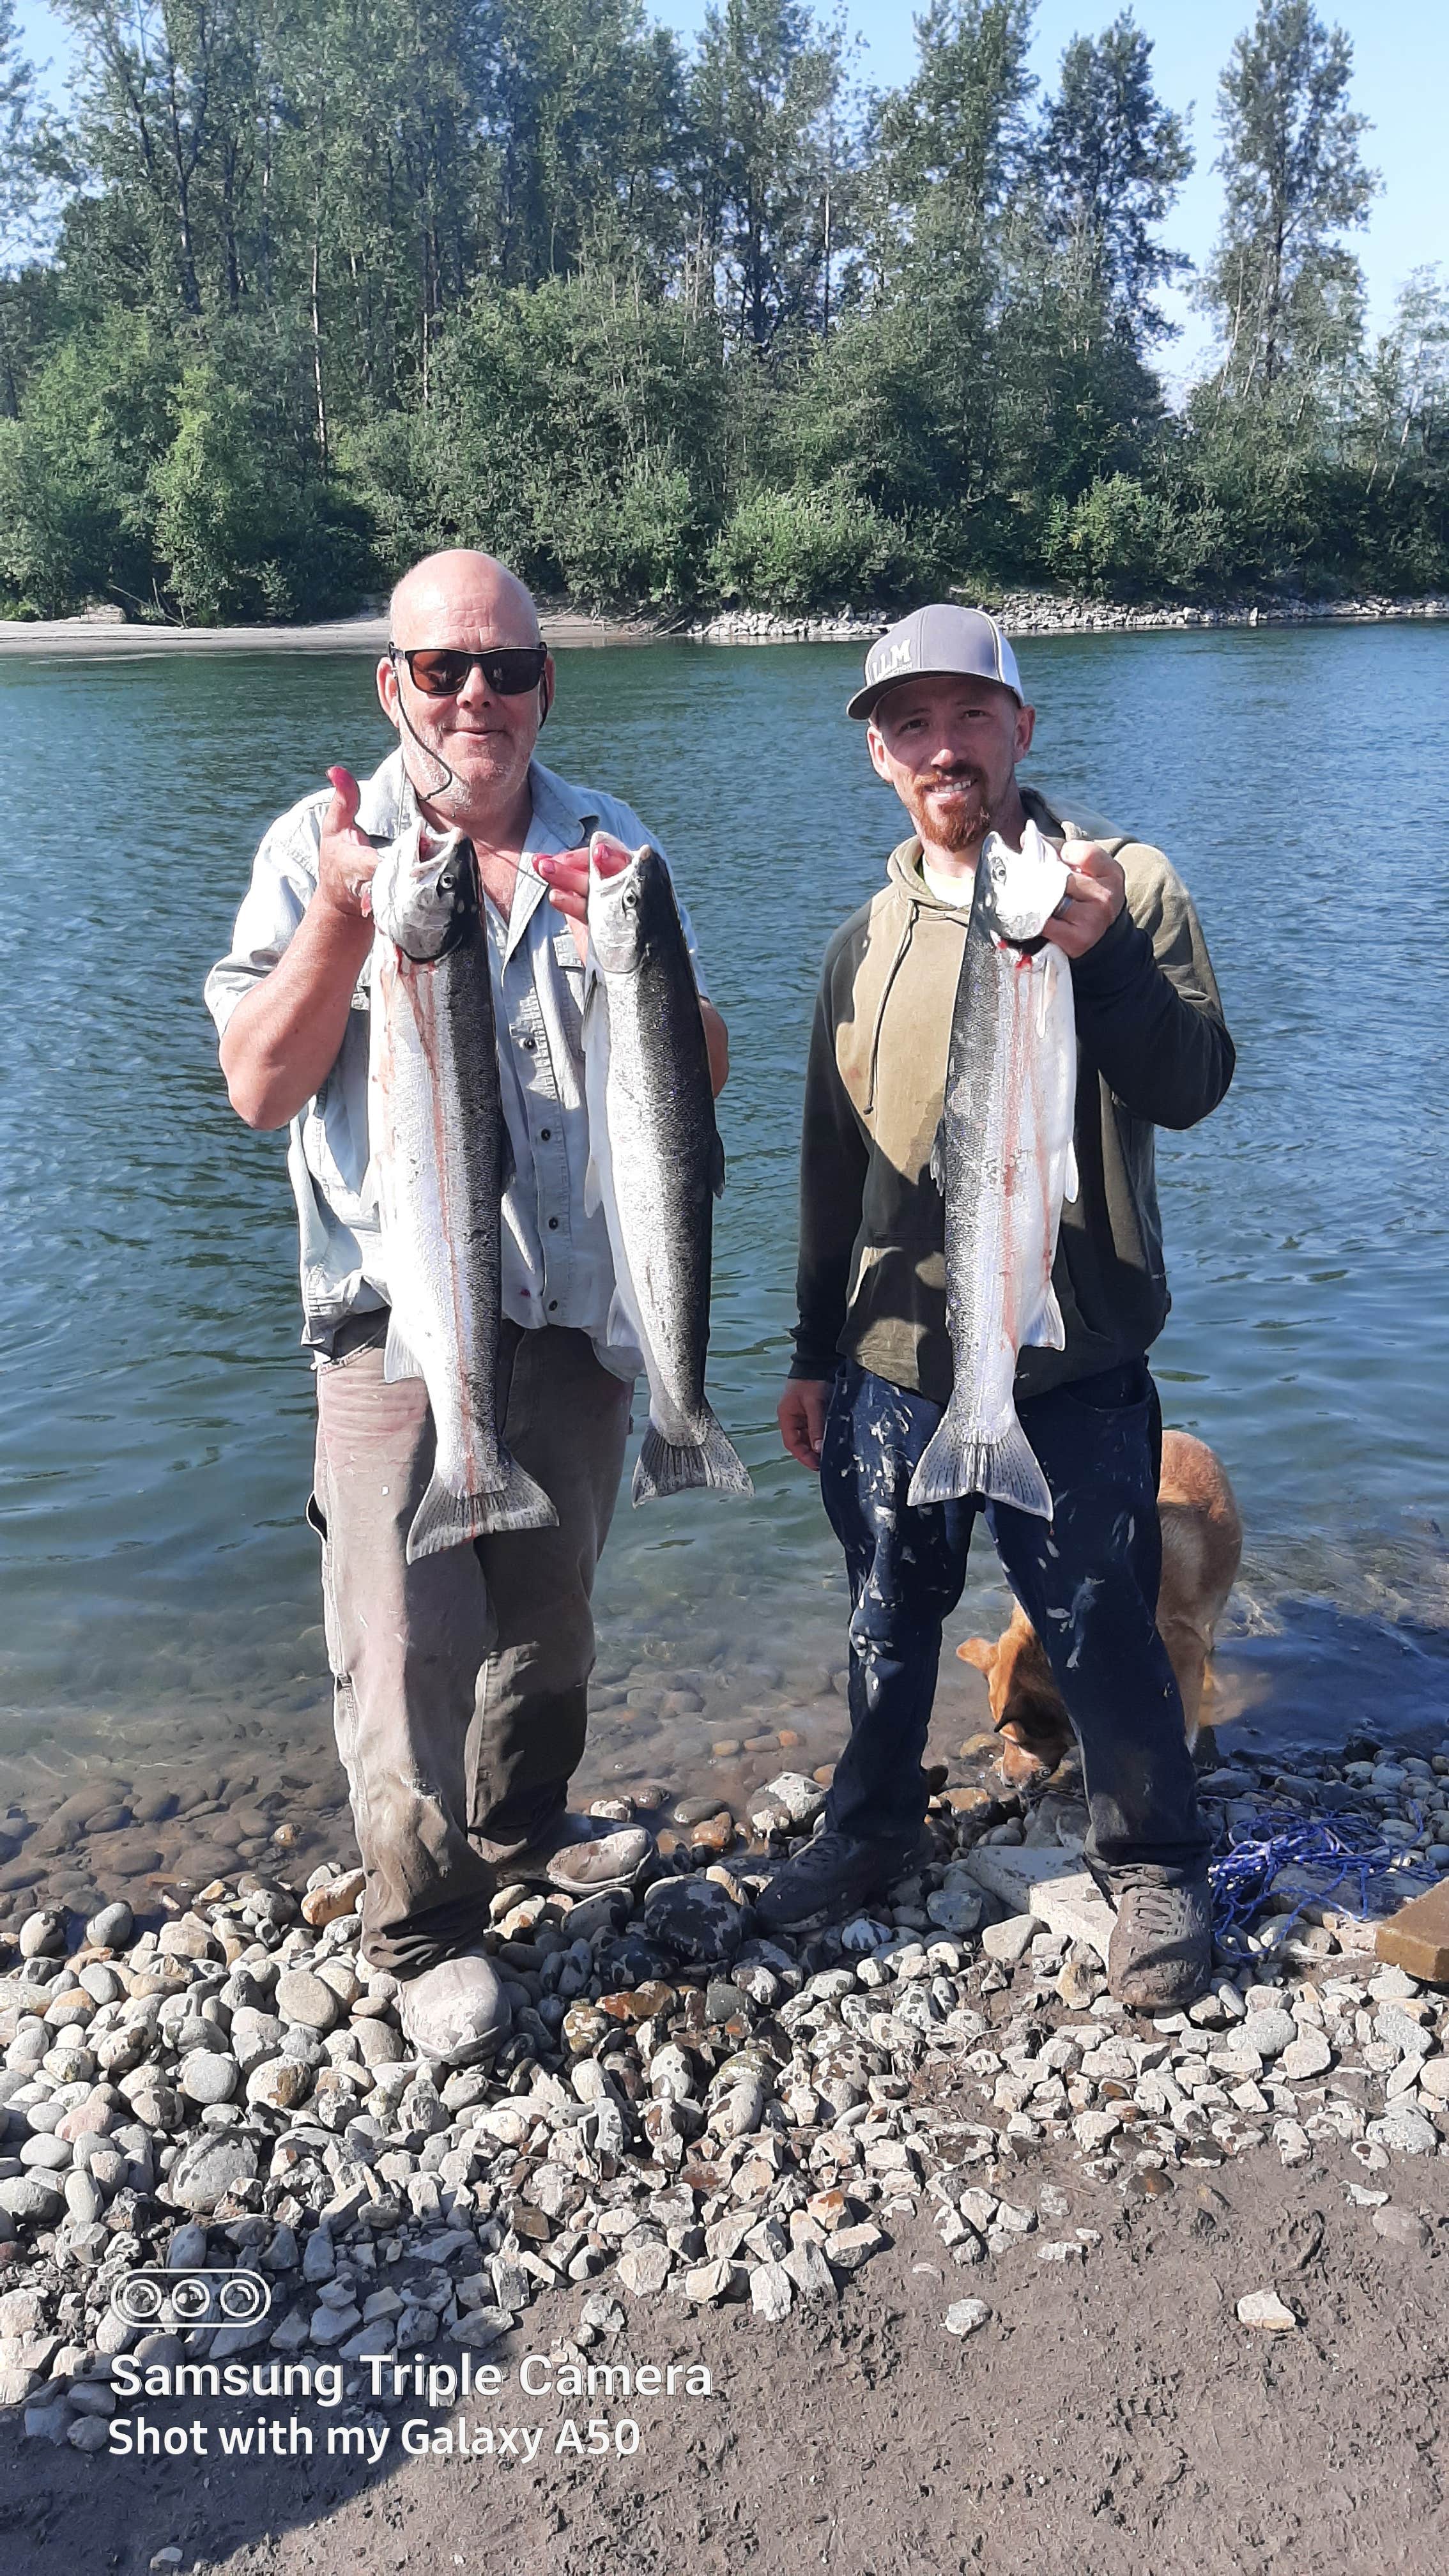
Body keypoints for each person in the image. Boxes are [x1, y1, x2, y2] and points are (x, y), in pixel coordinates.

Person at [205, 548, 728, 2066]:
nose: (477, 694)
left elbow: (700, 1079)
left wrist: (636, 952)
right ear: (395, 686)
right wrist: (354, 918)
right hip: (395, 1308)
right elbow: (256, 1087)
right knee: (404, 1628)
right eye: (444, 668)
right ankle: (421, 1923)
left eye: (507, 666)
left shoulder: (614, 844)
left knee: (547, 1617)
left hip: (573, 1308)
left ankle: (523, 1830)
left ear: (546, 683)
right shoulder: (322, 843)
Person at [770, 604, 1234, 2011]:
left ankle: (1153, 1863)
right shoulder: (865, 939)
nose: (943, 744)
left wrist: (1100, 955)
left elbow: (1194, 1083)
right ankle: (869, 1826)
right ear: (878, 756)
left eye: (971, 714)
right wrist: (806, 1352)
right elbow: (828, 1165)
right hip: (895, 1362)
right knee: (887, 1614)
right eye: (910, 723)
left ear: (1022, 728)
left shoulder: (1120, 886)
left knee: (1100, 1610)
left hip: (1072, 1356)